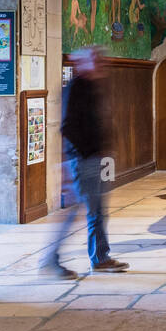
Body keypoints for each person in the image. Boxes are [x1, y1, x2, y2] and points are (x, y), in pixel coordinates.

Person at [44, 48, 128, 277]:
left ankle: (99, 258)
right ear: (82, 64)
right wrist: (81, 158)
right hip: (84, 160)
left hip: (98, 159)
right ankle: (55, 260)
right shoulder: (75, 88)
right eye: (96, 60)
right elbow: (68, 127)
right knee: (82, 212)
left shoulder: (93, 86)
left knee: (96, 212)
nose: (101, 64)